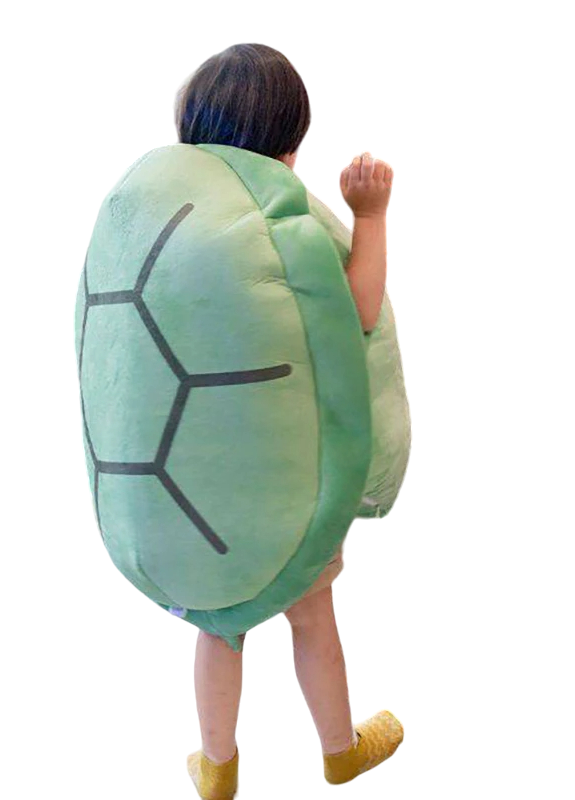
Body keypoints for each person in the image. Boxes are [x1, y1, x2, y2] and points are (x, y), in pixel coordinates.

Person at [174, 43, 403, 799]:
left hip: (198, 488)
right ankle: (340, 751)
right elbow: (357, 312)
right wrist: (369, 216)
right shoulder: (289, 227)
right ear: (290, 145)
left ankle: (217, 767)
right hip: (292, 484)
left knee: (219, 625)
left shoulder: (175, 231)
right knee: (312, 614)